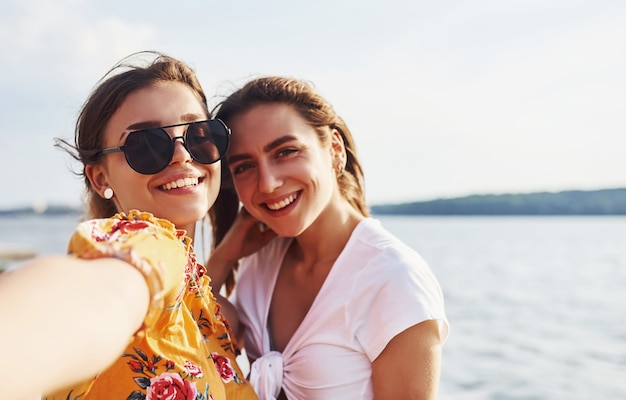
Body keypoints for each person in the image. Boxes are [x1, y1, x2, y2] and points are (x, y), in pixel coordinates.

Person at [0, 51, 257, 400]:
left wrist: (222, 260)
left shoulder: (219, 315)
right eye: (147, 144)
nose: (182, 155)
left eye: (198, 134)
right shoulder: (146, 245)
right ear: (100, 176)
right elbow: (100, 295)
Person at [206, 76, 450, 399]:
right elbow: (180, 339)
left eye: (285, 151)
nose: (266, 184)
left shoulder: (393, 279)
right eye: (244, 166)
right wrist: (223, 258)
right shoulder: (257, 264)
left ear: (334, 149)